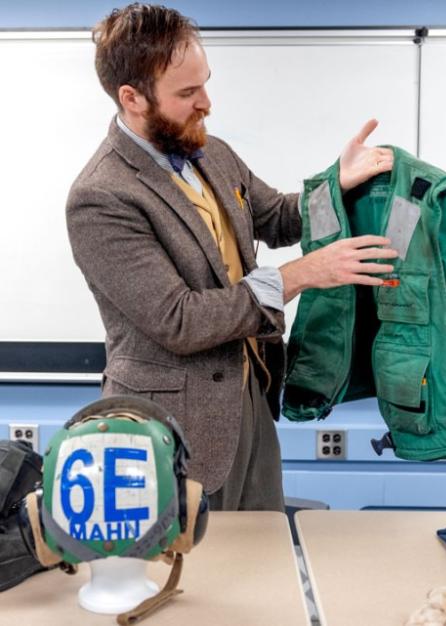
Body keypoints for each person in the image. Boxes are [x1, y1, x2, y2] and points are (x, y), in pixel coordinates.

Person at [66, 3, 397, 512]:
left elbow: (278, 216)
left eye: (205, 84)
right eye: (187, 93)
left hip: (250, 395)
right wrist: (300, 275)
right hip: (170, 424)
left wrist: (339, 180)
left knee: (261, 560)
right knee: (196, 580)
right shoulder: (100, 196)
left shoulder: (211, 152)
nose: (207, 103)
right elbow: (180, 320)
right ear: (131, 98)